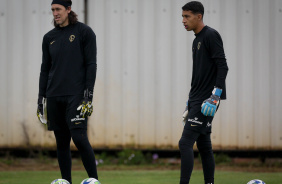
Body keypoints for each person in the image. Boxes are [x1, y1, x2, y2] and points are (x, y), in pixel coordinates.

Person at [36, 0, 98, 183]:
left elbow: (91, 64)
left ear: (68, 9)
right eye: (53, 10)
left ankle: (94, 180)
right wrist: (41, 98)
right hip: (54, 95)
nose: (55, 13)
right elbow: (45, 69)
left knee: (79, 138)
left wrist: (88, 94)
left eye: (58, 9)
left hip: (76, 95)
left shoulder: (84, 32)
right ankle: (66, 181)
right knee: (61, 143)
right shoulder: (49, 37)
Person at [179, 1, 229, 184]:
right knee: (204, 145)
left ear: (199, 16)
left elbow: (222, 66)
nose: (183, 20)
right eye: (182, 16)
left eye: (187, 16)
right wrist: (189, 100)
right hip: (197, 99)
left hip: (207, 100)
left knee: (184, 143)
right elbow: (199, 74)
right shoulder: (196, 40)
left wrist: (215, 96)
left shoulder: (211, 35)